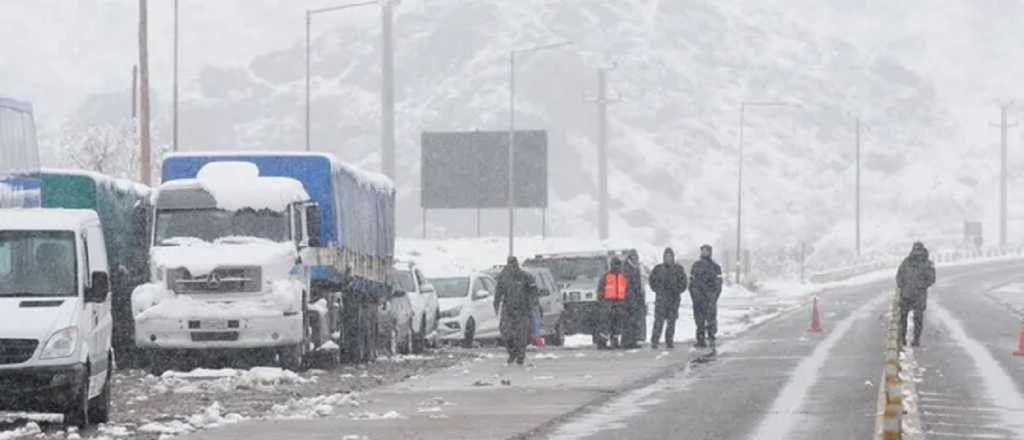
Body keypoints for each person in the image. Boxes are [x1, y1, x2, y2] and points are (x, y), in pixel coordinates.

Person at [494, 256, 540, 365]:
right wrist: (496, 304)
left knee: (522, 334)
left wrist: (532, 304)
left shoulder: (525, 277)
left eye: (513, 264)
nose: (512, 266)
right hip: (508, 308)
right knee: (506, 333)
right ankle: (512, 352)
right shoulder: (503, 277)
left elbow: (533, 292)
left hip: (523, 309)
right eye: (510, 264)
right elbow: (498, 293)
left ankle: (520, 354)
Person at [896, 242, 935, 347]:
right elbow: (899, 275)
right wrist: (902, 286)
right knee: (903, 318)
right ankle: (902, 339)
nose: (917, 252)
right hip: (906, 294)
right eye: (915, 250)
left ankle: (916, 339)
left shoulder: (927, 263)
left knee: (918, 318)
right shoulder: (907, 261)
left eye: (919, 250)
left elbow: (931, 279)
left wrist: (920, 285)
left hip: (919, 295)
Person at [649, 247, 688, 349]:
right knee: (658, 322)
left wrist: (677, 290)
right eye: (666, 256)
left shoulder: (678, 269)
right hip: (661, 300)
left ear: (673, 257)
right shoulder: (658, 269)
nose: (668, 258)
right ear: (663, 257)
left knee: (671, 322)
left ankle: (669, 341)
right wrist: (658, 290)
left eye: (670, 256)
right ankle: (655, 341)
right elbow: (651, 281)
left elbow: (684, 283)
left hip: (673, 300)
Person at [690, 244, 723, 348]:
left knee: (711, 319)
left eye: (706, 251)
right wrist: (694, 295)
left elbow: (718, 284)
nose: (704, 252)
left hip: (710, 298)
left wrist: (713, 296)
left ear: (710, 252)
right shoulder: (696, 266)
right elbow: (691, 283)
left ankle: (711, 336)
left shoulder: (715, 267)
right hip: (698, 298)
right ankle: (700, 339)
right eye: (703, 251)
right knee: (699, 320)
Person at [596, 257, 629, 349]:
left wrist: (625, 302)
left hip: (619, 303)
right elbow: (600, 290)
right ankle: (602, 343)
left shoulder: (623, 277)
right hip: (608, 303)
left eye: (618, 265)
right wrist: (602, 303)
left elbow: (626, 290)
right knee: (605, 325)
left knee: (617, 325)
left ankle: (615, 342)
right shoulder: (606, 277)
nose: (616, 267)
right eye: (615, 264)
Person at [621, 250, 646, 349]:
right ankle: (627, 342)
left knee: (634, 321)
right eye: (635, 256)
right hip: (629, 299)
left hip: (635, 298)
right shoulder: (627, 269)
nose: (636, 258)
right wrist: (631, 299)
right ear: (630, 257)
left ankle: (633, 340)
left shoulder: (635, 268)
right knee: (629, 322)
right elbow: (628, 286)